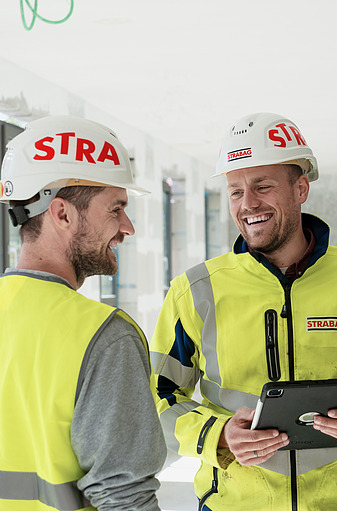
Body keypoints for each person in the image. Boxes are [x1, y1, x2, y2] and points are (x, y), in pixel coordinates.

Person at [150, 112, 337, 510]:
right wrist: (217, 434)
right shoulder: (197, 291)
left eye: (262, 186)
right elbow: (156, 397)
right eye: (235, 191)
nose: (247, 204)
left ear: (301, 188)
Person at [0, 116, 167, 511]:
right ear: (62, 214)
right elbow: (125, 497)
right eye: (116, 208)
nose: (128, 227)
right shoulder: (104, 335)